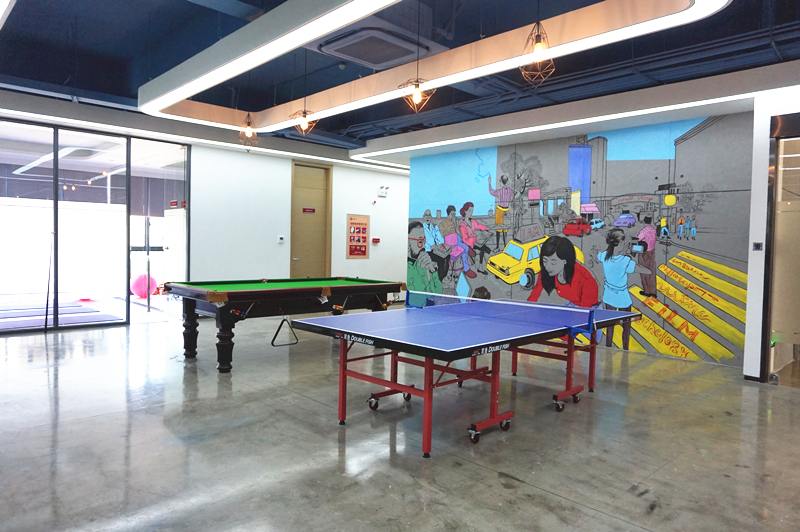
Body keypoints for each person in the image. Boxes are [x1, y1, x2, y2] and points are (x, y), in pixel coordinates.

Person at [598, 228, 651, 350]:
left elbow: (598, 256)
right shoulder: (626, 261)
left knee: (610, 326)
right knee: (626, 327)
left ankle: (608, 347)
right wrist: (634, 258)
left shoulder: (604, 256)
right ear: (621, 243)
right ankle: (625, 349)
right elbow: (646, 271)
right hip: (623, 298)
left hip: (609, 296)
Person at [527, 236, 598, 308]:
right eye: (545, 261)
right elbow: (534, 295)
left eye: (553, 262)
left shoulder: (587, 281)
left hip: (591, 308)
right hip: (574, 304)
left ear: (565, 261)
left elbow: (583, 311)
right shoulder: (547, 271)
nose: (547, 266)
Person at [439, 205, 476, 278]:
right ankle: (468, 249)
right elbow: (443, 236)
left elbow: (458, 231)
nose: (454, 215)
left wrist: (455, 224)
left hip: (457, 240)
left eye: (454, 214)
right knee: (458, 240)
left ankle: (467, 269)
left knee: (461, 245)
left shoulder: (455, 221)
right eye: (452, 214)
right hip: (449, 243)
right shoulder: (442, 224)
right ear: (449, 213)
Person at [407, 221, 443, 293]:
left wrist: (432, 270)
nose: (423, 246)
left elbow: (438, 292)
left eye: (424, 240)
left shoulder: (422, 262)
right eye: (420, 241)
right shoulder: (405, 268)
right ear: (408, 244)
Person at [459, 202, 491, 275]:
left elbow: (479, 225)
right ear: (465, 211)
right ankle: (480, 268)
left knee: (488, 250)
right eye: (470, 211)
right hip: (469, 244)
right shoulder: (462, 225)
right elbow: (465, 239)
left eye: (472, 211)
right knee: (482, 249)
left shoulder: (472, 221)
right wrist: (475, 239)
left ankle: (487, 266)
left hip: (476, 242)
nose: (471, 213)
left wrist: (485, 230)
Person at [422, 209, 449, 281]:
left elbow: (440, 239)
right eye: (426, 215)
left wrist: (436, 226)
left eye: (429, 215)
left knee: (447, 256)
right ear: (423, 217)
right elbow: (427, 241)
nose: (427, 217)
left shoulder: (432, 227)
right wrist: (433, 246)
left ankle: (443, 276)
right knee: (441, 260)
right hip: (427, 251)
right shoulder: (422, 228)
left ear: (431, 217)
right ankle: (440, 279)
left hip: (434, 249)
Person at [488, 174, 514, 250]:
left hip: (500, 210)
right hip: (506, 210)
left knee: (499, 229)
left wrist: (489, 183)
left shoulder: (501, 191)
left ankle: (498, 247)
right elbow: (514, 195)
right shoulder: (509, 190)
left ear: (502, 182)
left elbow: (492, 192)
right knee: (504, 230)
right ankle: (504, 246)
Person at [636, 216, 657, 297]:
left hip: (644, 253)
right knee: (652, 272)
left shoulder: (644, 231)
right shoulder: (653, 230)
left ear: (644, 222)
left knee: (644, 272)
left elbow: (638, 238)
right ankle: (653, 291)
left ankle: (647, 291)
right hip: (652, 252)